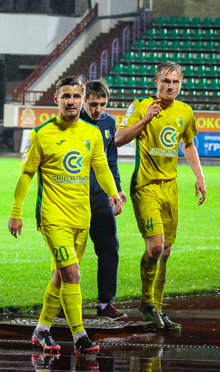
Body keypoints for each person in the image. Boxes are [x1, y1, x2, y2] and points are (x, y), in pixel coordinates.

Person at [9, 76, 122, 355]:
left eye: (76, 96)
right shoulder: (40, 134)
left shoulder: (92, 133)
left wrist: (113, 193)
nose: (71, 101)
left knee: (61, 276)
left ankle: (41, 330)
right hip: (53, 216)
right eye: (66, 96)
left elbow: (101, 167)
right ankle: (80, 336)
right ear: (56, 99)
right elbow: (26, 175)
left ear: (82, 98)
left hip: (82, 215)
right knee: (72, 273)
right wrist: (16, 212)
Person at [115, 61, 207, 331]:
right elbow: (118, 138)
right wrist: (145, 120)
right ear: (156, 82)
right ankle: (146, 302)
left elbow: (188, 144)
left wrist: (199, 176)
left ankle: (157, 307)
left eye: (176, 82)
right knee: (155, 247)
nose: (171, 86)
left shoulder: (185, 111)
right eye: (166, 81)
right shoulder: (140, 105)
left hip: (170, 187)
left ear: (181, 84)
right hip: (145, 185)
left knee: (165, 251)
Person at [79, 79, 128, 320]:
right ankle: (62, 304)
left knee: (109, 247)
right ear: (84, 100)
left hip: (100, 195)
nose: (98, 109)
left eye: (102, 104)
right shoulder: (73, 121)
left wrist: (117, 189)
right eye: (93, 104)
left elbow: (111, 160)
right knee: (70, 253)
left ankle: (105, 303)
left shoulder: (109, 123)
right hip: (75, 196)